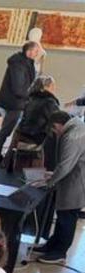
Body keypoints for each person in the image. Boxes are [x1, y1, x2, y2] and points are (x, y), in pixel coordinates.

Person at [34, 111, 85, 265]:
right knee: (63, 215)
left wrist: (49, 182)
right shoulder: (77, 126)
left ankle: (59, 252)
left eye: (55, 130)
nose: (55, 134)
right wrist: (54, 174)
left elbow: (65, 165)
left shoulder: (72, 136)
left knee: (67, 217)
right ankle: (52, 245)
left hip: (77, 182)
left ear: (58, 125)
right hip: (75, 178)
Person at [0, 41, 42, 162]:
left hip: (17, 101)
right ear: (29, 51)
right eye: (36, 51)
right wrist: (29, 96)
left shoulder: (26, 62)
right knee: (6, 130)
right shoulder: (18, 64)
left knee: (6, 130)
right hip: (14, 102)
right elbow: (18, 87)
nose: (37, 54)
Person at [14, 75, 59, 151]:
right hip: (38, 137)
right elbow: (57, 120)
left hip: (22, 134)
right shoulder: (50, 102)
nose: (54, 89)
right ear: (45, 87)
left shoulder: (30, 99)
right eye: (52, 86)